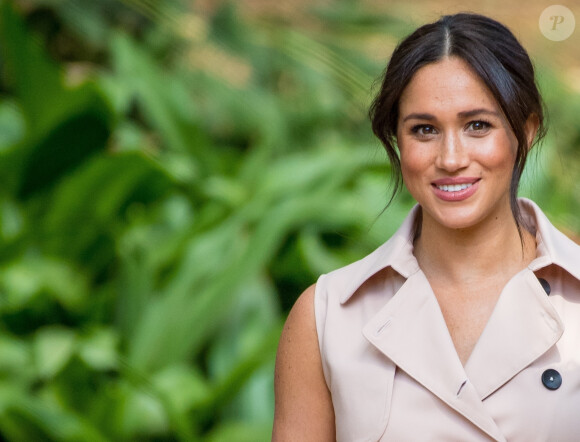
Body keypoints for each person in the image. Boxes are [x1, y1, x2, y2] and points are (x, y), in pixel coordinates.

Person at [272, 12, 580, 442]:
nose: (451, 158)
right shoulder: (326, 317)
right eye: (424, 130)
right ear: (398, 144)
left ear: (525, 132)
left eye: (478, 126)